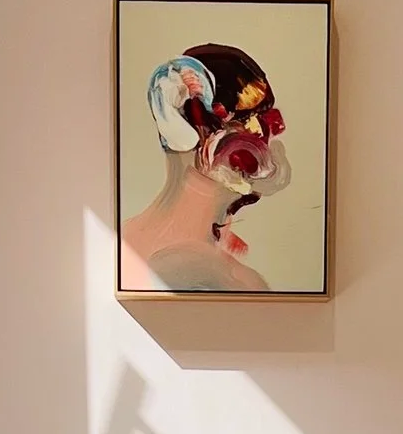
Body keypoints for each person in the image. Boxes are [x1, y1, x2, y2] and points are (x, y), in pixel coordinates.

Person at [120, 41, 291, 294]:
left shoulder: (128, 238)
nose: (258, 135)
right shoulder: (193, 270)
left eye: (263, 121)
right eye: (243, 120)